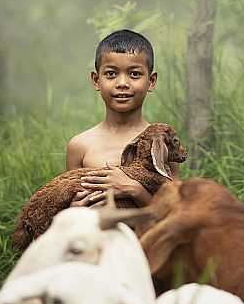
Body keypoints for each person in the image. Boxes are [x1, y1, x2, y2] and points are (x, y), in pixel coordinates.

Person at [65, 29, 180, 207]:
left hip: (144, 235)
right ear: (96, 80)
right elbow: (69, 199)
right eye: (111, 73)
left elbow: (175, 213)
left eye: (134, 74)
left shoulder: (161, 142)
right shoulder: (80, 145)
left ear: (151, 81)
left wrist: (133, 190)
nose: (122, 83)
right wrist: (74, 209)